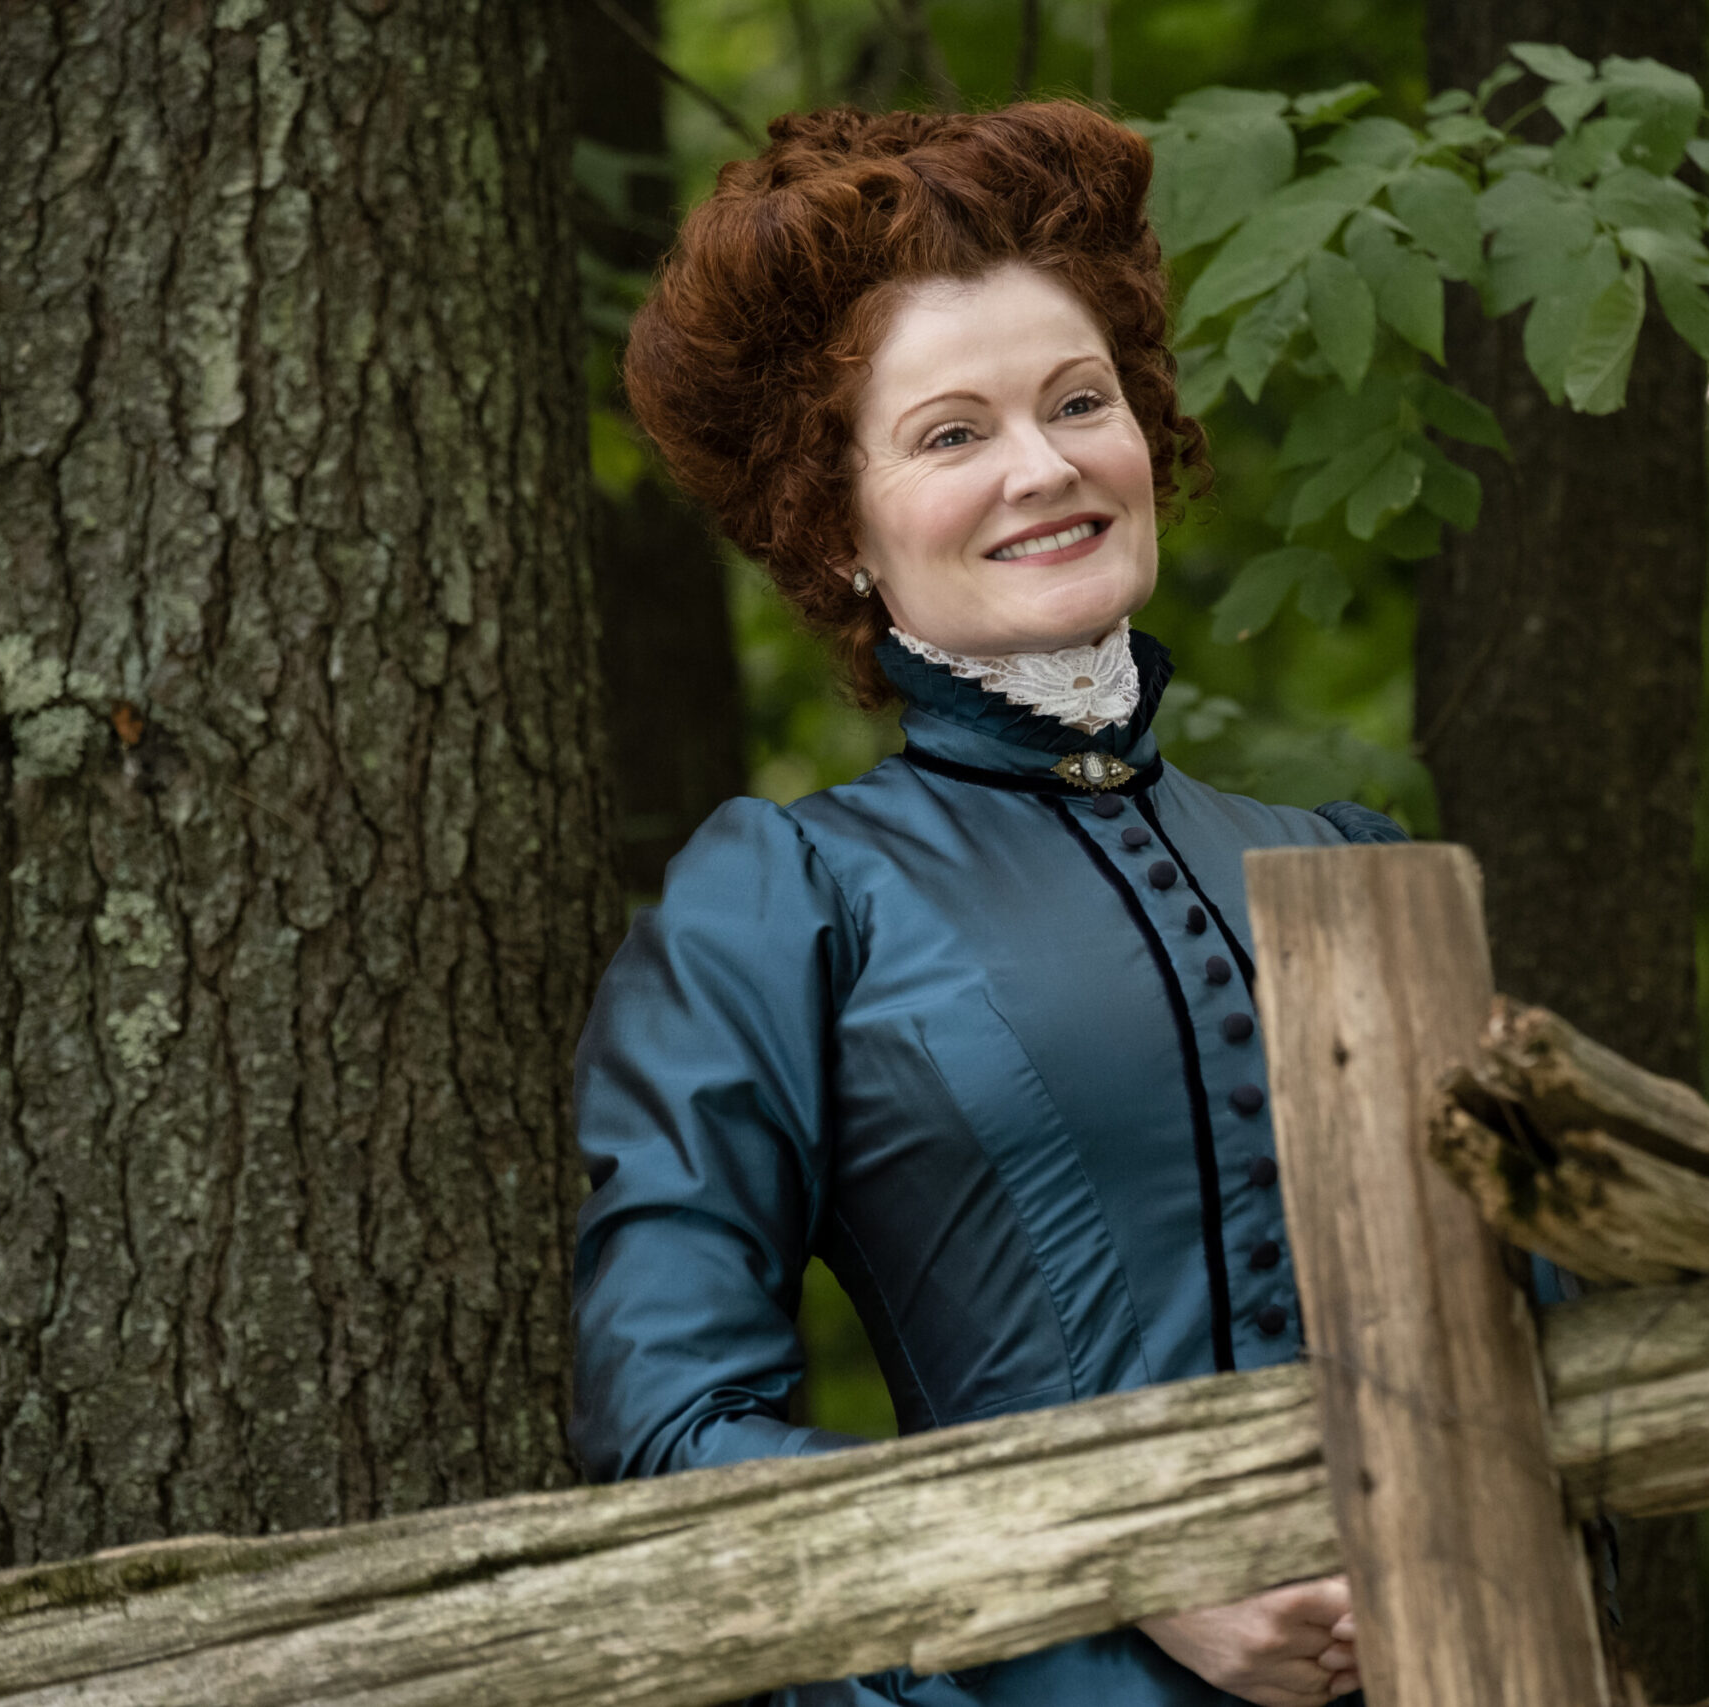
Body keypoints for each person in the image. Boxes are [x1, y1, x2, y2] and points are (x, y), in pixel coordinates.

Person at [571, 99, 1402, 1706]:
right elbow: (669, 1445)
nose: (1045, 467)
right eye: (953, 434)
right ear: (841, 527)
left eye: (1079, 402)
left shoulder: (1354, 865)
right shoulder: (786, 902)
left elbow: (1550, 1380)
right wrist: (1115, 1553)